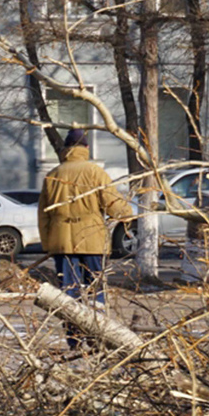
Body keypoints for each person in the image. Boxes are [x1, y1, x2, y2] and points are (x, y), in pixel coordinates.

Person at [38, 128, 130, 317]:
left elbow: (43, 215)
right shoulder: (95, 172)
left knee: (68, 295)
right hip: (92, 241)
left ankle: (75, 340)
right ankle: (97, 337)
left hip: (62, 244)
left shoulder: (52, 175)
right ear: (86, 147)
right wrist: (128, 213)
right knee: (95, 292)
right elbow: (113, 204)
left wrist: (48, 244)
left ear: (66, 148)